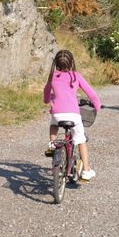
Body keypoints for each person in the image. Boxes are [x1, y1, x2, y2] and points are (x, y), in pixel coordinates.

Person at [43, 50, 101, 181]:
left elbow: (46, 91)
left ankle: (52, 145)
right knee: (81, 139)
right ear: (72, 63)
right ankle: (86, 170)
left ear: (55, 63)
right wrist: (97, 106)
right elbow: (91, 94)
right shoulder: (75, 76)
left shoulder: (52, 76)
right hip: (73, 115)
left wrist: (48, 100)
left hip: (57, 114)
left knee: (53, 124)